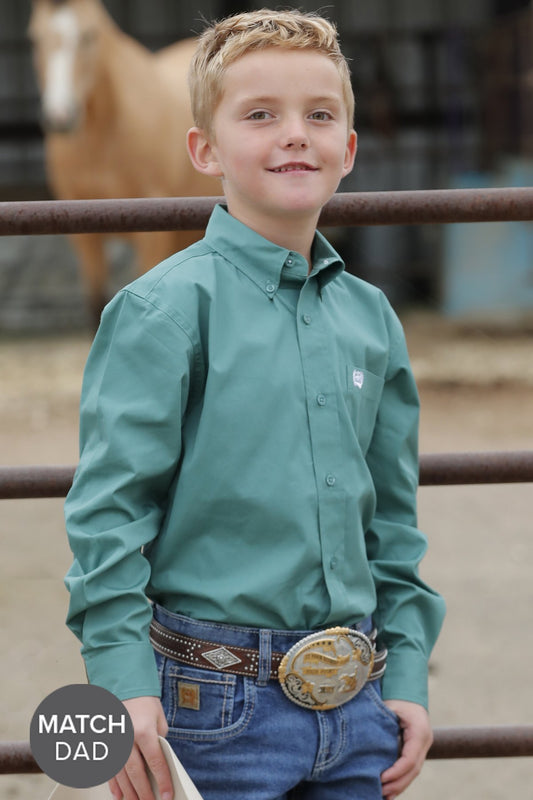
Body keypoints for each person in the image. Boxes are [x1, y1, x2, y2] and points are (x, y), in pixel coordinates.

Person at [64, 8, 446, 800]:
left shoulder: (371, 318)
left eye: (319, 115)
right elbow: (109, 514)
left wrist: (405, 670)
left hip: (355, 702)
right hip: (207, 709)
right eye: (260, 115)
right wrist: (122, 685)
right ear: (204, 150)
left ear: (349, 147)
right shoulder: (163, 311)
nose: (295, 135)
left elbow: (393, 520)